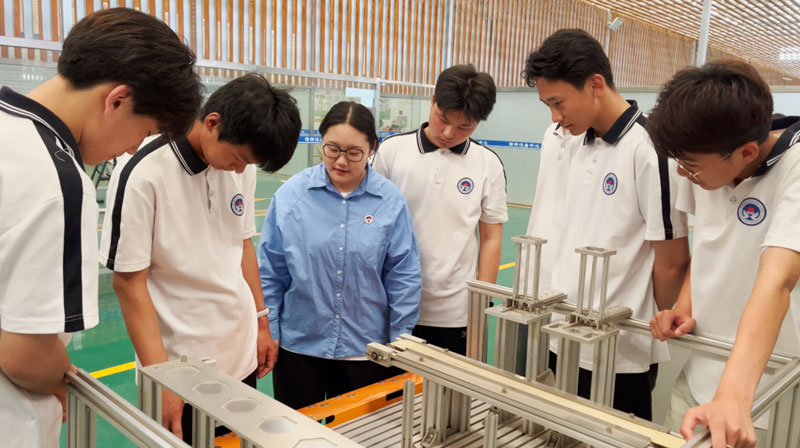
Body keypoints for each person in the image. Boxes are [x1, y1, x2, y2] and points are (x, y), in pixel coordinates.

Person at [0, 7, 201, 447]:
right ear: (117, 100)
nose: (131, 149)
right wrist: (60, 375)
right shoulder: (56, 179)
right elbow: (23, 353)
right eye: (144, 131)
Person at [99, 73, 300, 443]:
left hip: (239, 357)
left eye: (248, 164)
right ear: (212, 122)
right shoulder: (143, 172)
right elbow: (128, 283)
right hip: (179, 367)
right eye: (237, 159)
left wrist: (260, 323)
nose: (240, 171)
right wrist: (162, 378)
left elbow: (242, 245)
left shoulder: (241, 167)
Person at [519, 28, 690, 420]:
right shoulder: (574, 141)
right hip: (562, 332)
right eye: (547, 105)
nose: (555, 117)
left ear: (595, 85)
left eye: (558, 103)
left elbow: (673, 260)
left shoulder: (649, 149)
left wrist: (652, 320)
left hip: (618, 351)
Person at [647, 60, 800, 448]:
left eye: (690, 166)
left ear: (747, 152)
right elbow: (710, 244)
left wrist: (732, 397)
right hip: (700, 371)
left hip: (766, 392)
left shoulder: (795, 166)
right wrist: (684, 306)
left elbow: (778, 280)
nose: (682, 174)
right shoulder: (706, 161)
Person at [258, 101, 421, 410]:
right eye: (332, 149)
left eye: (354, 152)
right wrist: (270, 328)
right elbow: (271, 270)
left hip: (365, 349)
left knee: (359, 432)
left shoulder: (389, 201)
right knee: (296, 431)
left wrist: (401, 338)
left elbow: (403, 274)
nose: (341, 160)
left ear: (372, 148)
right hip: (299, 346)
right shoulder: (292, 196)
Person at [372, 64, 507, 356]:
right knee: (392, 384)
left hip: (456, 311)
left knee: (453, 385)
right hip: (393, 303)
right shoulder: (392, 151)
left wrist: (482, 300)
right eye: (443, 119)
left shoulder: (488, 164)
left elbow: (491, 237)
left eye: (463, 127)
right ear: (432, 100)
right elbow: (371, 224)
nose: (448, 133)